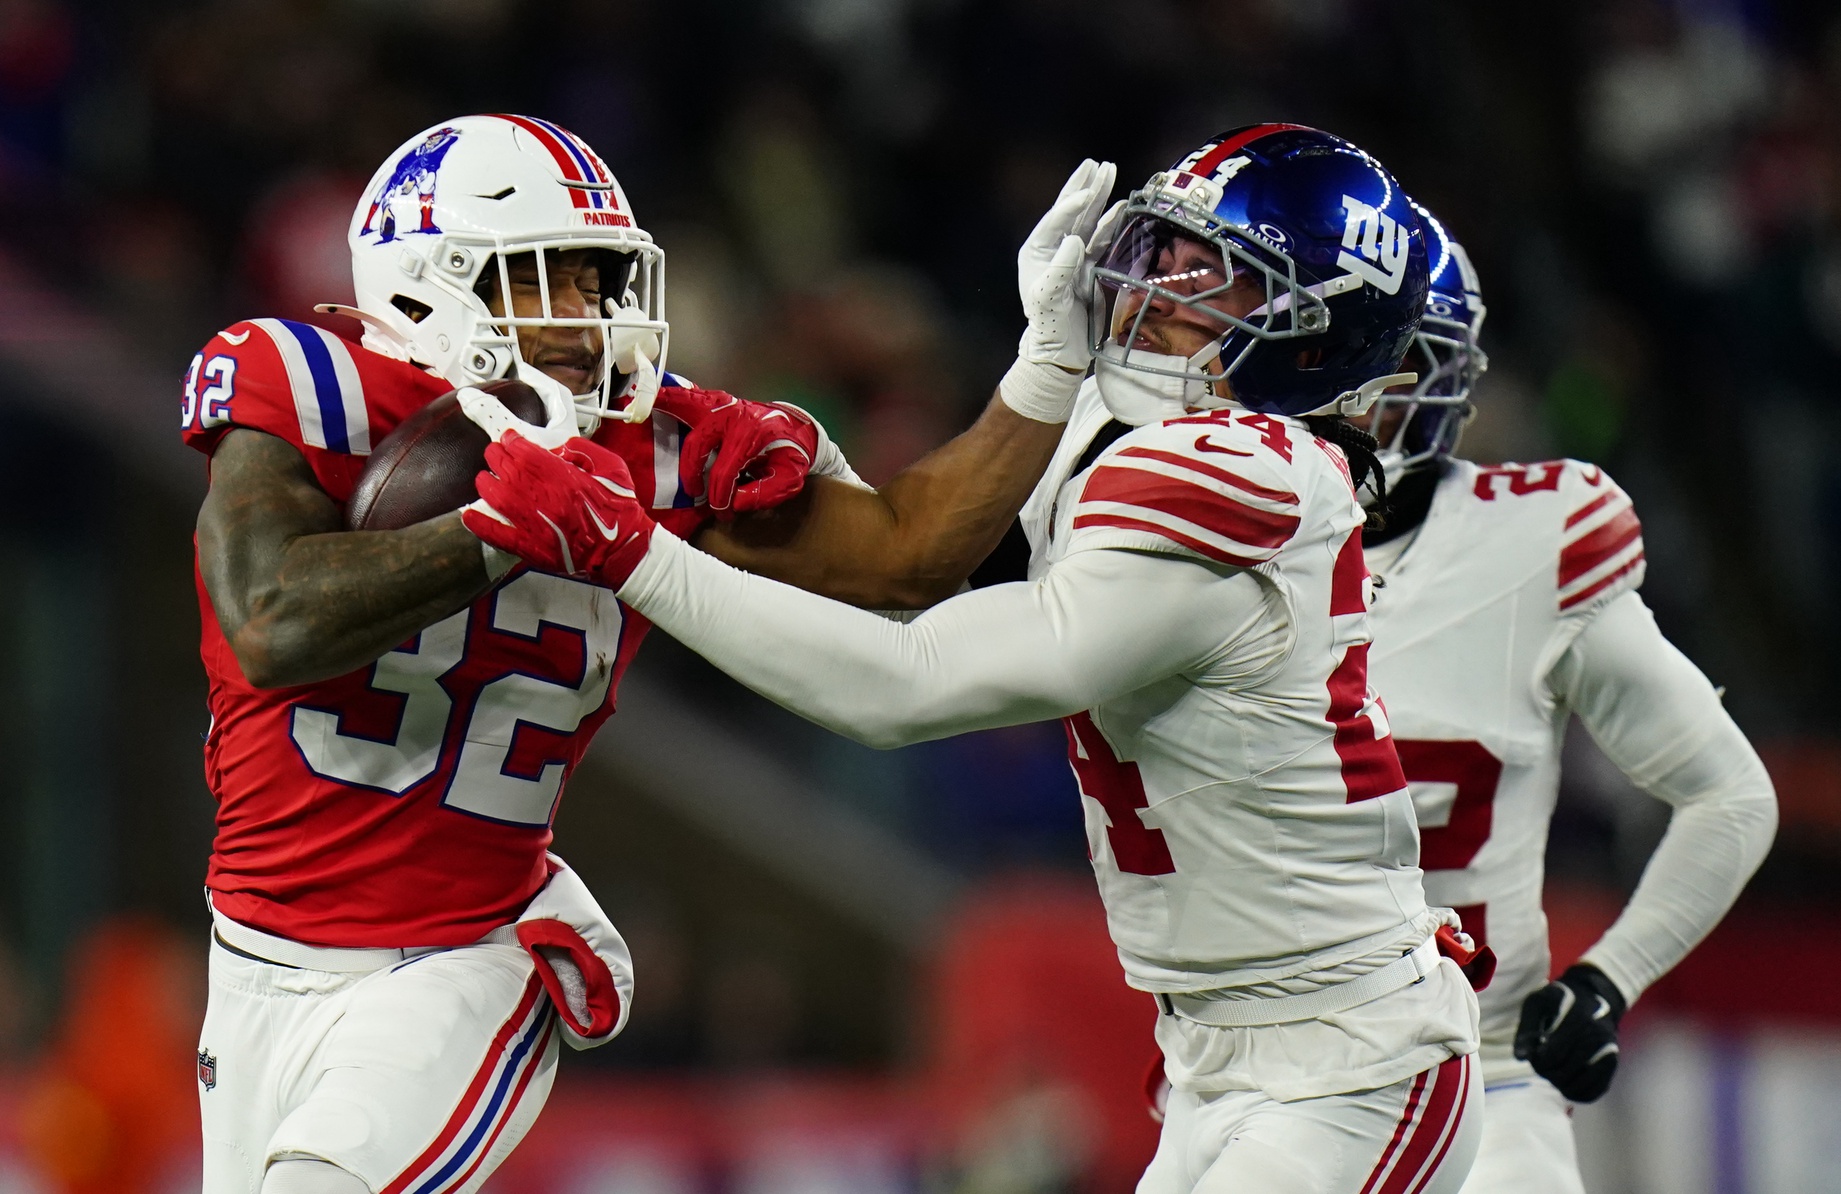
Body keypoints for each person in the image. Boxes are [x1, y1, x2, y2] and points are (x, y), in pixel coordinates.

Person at [464, 125, 1490, 1194]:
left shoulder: (1244, 471)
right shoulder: (1139, 423)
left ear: (1312, 341)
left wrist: (633, 553)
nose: (1157, 290)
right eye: (1169, 255)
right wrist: (1039, 372)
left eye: (1219, 280)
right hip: (1218, 1053)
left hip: (1347, 1063)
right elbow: (918, 552)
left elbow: (906, 679)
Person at [185, 113, 1113, 1194]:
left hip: (463, 956)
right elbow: (270, 624)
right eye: (546, 282)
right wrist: (500, 529)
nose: (587, 322)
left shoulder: (648, 448)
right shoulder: (303, 387)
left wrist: (1046, 365)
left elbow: (908, 557)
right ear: (429, 284)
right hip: (253, 957)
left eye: (600, 283)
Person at [1354, 205, 1777, 1193]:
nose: (1344, 394)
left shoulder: (1524, 541)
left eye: (1377, 363)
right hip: (1252, 1089)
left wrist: (1605, 978)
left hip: (1481, 1082)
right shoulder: (1202, 540)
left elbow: (1729, 796)